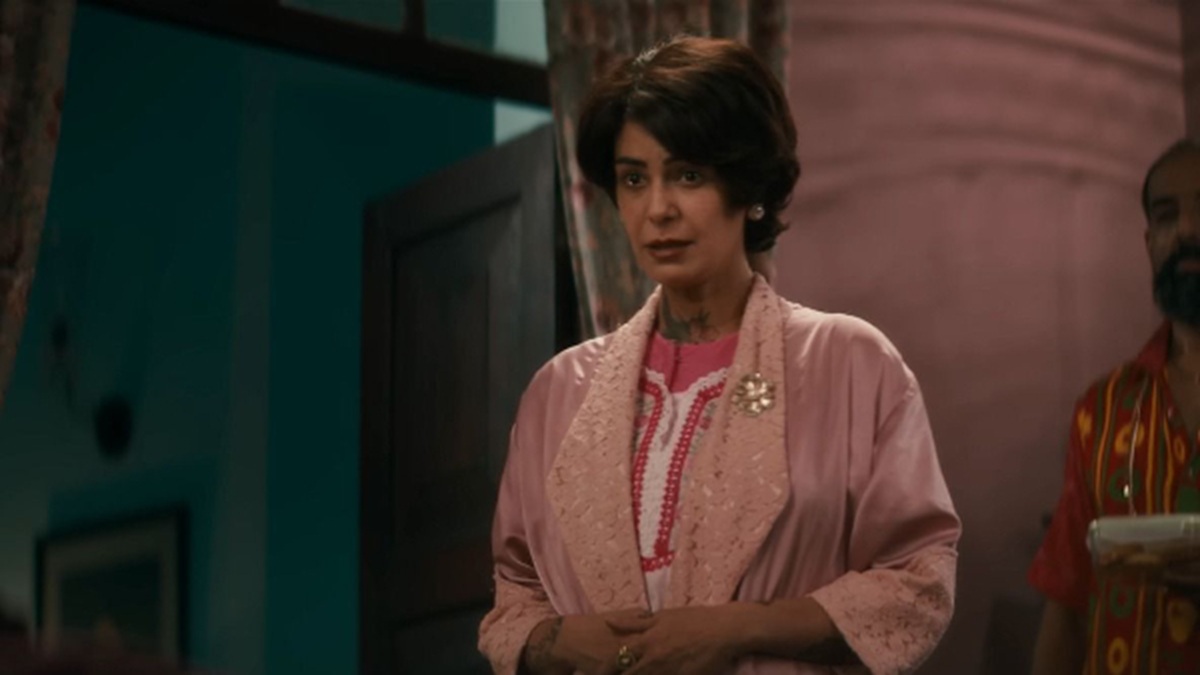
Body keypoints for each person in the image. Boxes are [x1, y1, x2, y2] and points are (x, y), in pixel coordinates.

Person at [478, 36, 961, 675]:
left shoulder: (848, 362)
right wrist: (566, 642)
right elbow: (514, 598)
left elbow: (917, 583)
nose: (658, 210)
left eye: (688, 175)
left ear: (749, 186)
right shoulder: (559, 391)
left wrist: (736, 629)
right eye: (634, 179)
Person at [1030, 139, 1200, 674]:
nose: (1187, 229)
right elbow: (1067, 597)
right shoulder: (1103, 410)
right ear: (1150, 244)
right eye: (1166, 215)